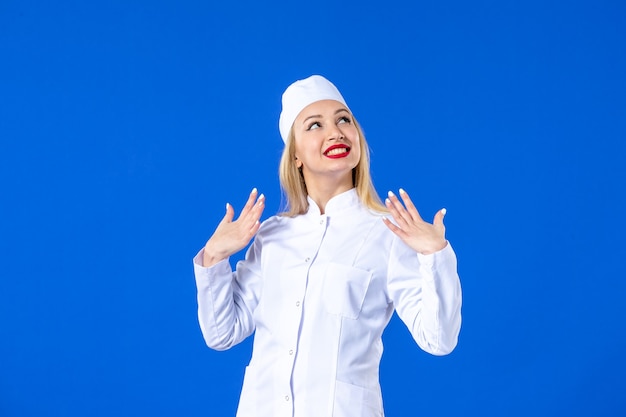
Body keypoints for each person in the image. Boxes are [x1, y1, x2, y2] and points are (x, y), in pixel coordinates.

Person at [193, 75, 462, 417]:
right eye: (315, 125)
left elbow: (438, 340)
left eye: (343, 120)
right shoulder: (271, 236)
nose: (335, 132)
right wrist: (215, 258)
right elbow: (222, 333)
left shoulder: (388, 233)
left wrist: (434, 255)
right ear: (296, 157)